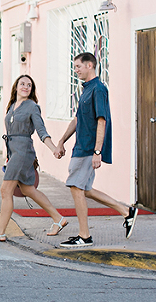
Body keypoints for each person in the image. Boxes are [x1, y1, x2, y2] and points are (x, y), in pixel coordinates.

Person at [54, 52, 137, 247]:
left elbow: (102, 120)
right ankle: (126, 211)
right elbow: (77, 119)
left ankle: (84, 236)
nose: (76, 70)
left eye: (78, 66)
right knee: (85, 189)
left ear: (89, 65)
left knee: (76, 187)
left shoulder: (98, 89)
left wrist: (97, 152)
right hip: (80, 147)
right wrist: (62, 140)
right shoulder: (86, 89)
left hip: (88, 148)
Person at [0, 75, 68, 242]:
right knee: (28, 190)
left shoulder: (32, 107)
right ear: (16, 87)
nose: (26, 87)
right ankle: (58, 218)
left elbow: (41, 131)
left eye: (29, 85)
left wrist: (54, 149)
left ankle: (0, 232)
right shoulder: (12, 105)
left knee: (5, 190)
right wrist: (9, 156)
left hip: (23, 152)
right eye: (22, 84)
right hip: (14, 152)